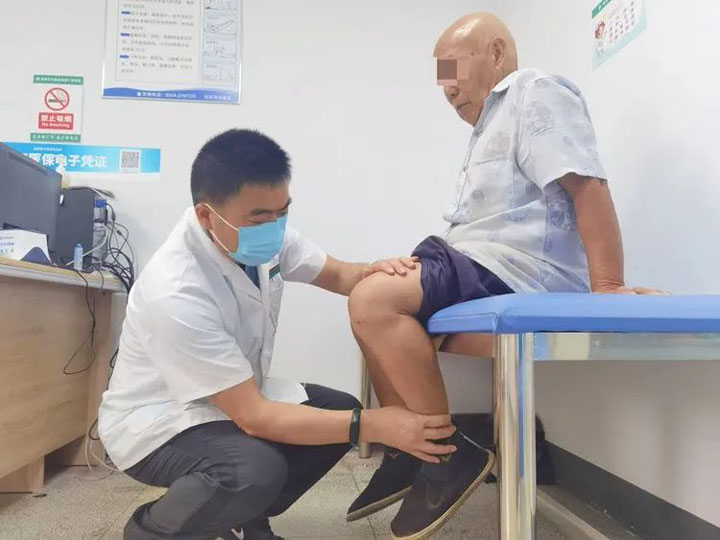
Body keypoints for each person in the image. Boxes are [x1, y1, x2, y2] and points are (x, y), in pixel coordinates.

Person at [346, 12, 665, 540]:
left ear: (496, 53)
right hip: (478, 261)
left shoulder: (534, 91)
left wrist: (607, 287)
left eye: (452, 70)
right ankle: (408, 448)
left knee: (375, 301)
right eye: (440, 79)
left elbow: (586, 185)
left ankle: (443, 454)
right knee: (369, 299)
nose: (447, 89)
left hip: (515, 269)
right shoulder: (486, 124)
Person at [98, 129, 458, 540]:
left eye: (282, 212)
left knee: (339, 409)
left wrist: (378, 274)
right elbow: (254, 416)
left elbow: (341, 274)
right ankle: (152, 530)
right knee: (254, 470)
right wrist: (375, 425)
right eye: (259, 218)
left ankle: (239, 517)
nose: (273, 227)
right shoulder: (175, 289)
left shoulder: (264, 235)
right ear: (206, 216)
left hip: (232, 395)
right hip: (158, 422)